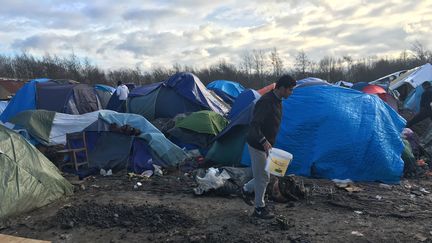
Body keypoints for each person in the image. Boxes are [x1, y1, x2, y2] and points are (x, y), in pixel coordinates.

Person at [241, 74, 297, 219]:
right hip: (256, 143)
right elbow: (254, 125)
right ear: (282, 88)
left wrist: (268, 143)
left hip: (267, 145)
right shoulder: (266, 101)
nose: (291, 93)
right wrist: (264, 141)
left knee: (265, 176)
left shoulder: (278, 100)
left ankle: (246, 190)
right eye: (290, 90)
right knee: (263, 177)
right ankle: (259, 208)